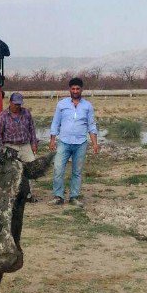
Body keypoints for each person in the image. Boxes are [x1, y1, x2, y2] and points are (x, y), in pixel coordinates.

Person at [49, 77, 98, 206]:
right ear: (69, 89)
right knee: (58, 169)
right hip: (64, 142)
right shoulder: (62, 104)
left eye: (77, 88)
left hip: (81, 143)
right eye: (73, 88)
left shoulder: (87, 106)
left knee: (77, 171)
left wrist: (94, 143)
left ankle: (74, 197)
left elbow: (91, 125)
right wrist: (52, 140)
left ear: (81, 89)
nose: (75, 91)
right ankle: (58, 196)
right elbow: (56, 123)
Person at [0, 92, 39, 201]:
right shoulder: (2, 116)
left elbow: (32, 129)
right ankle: (11, 194)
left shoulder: (27, 113)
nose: (17, 106)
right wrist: (1, 150)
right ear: (10, 102)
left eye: (19, 104)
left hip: (25, 145)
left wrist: (33, 144)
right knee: (10, 170)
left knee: (31, 167)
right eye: (15, 104)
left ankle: (28, 194)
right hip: (10, 146)